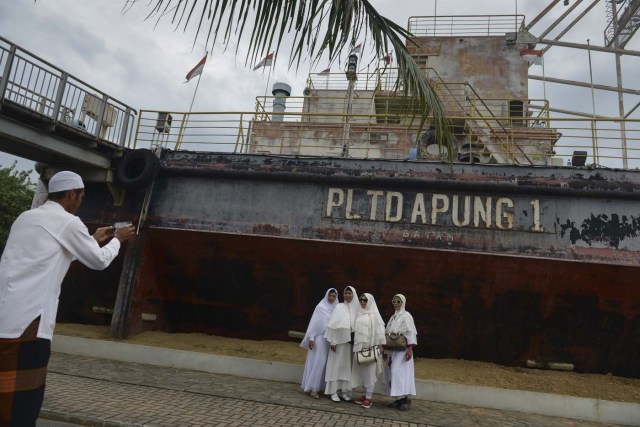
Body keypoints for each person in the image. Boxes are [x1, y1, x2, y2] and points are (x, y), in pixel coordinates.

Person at [0, 171, 135, 426]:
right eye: (81, 196)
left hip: (4, 317)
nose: (80, 201)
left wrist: (92, 240)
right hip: (30, 324)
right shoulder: (68, 222)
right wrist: (117, 240)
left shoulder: (25, 218)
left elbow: (49, 256)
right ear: (72, 194)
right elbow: (98, 261)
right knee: (22, 404)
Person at [381, 294, 418, 411]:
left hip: (403, 350)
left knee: (399, 373)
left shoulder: (406, 316)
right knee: (393, 373)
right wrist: (385, 350)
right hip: (393, 350)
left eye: (398, 301)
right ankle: (398, 399)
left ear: (403, 303)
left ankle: (405, 400)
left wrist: (410, 348)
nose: (396, 303)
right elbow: (388, 334)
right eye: (394, 301)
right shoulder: (393, 317)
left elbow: (411, 332)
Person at [300, 288, 339, 398]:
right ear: (326, 296)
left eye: (334, 296)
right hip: (319, 338)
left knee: (327, 363)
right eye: (330, 296)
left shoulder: (337, 308)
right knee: (319, 361)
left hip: (330, 339)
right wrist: (311, 338)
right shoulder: (320, 307)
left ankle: (322, 387)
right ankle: (313, 388)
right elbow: (314, 324)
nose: (331, 298)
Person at [323, 285, 359, 402]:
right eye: (346, 293)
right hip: (338, 343)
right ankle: (333, 392)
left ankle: (344, 391)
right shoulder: (339, 307)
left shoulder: (357, 309)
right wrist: (333, 341)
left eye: (350, 293)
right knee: (335, 366)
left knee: (346, 367)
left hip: (350, 343)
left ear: (353, 294)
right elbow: (333, 325)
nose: (347, 295)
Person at [351, 293, 386, 409]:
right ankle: (365, 395)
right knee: (363, 372)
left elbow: (380, 330)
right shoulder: (359, 313)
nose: (362, 302)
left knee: (370, 373)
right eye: (361, 300)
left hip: (371, 347)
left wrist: (380, 344)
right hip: (360, 347)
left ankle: (369, 398)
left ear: (370, 301)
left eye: (365, 300)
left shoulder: (374, 315)